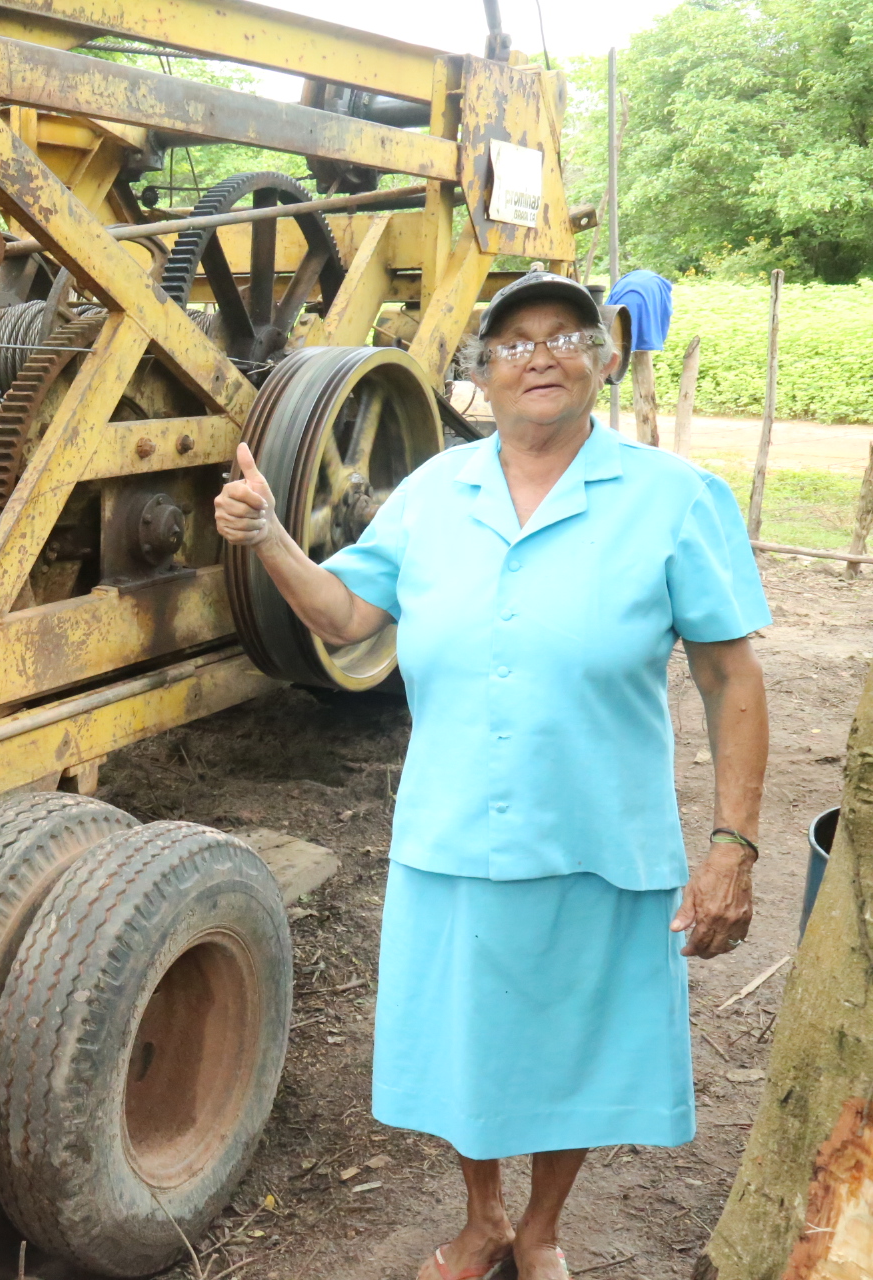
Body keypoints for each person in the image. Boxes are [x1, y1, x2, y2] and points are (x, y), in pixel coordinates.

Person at [214, 272, 770, 1280]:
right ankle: (481, 1216)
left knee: (576, 1041)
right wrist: (270, 540)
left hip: (598, 833)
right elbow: (345, 618)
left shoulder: (675, 498)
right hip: (456, 828)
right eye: (513, 342)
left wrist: (732, 843)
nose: (540, 355)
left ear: (604, 359)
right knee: (466, 1037)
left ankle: (543, 1226)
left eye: (565, 335)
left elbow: (732, 674)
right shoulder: (435, 492)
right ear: (483, 371)